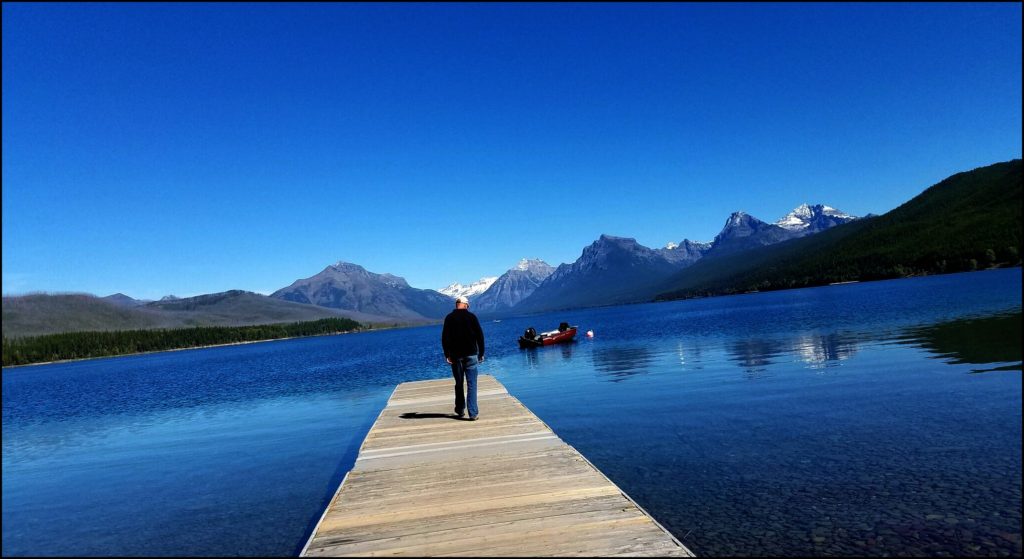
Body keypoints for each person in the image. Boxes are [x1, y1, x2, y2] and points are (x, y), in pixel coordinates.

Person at [441, 295, 485, 420]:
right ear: (466, 305)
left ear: (456, 304)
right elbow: (480, 336)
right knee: (472, 384)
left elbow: (445, 338)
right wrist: (481, 353)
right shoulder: (472, 317)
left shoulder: (449, 318)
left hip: (456, 356)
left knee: (459, 383)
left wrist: (447, 354)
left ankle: (460, 410)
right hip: (471, 354)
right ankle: (473, 413)